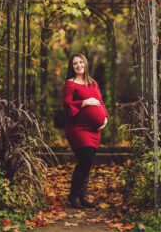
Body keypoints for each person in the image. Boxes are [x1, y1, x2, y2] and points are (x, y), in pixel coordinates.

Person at [62, 53, 108, 209]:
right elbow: (67, 104)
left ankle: (82, 196)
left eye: (81, 62)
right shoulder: (70, 83)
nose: (78, 65)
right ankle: (73, 196)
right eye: (75, 63)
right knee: (85, 159)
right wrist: (85, 102)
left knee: (87, 163)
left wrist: (105, 118)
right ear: (72, 66)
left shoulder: (93, 82)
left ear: (86, 64)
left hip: (94, 131)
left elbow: (100, 102)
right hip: (78, 129)